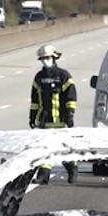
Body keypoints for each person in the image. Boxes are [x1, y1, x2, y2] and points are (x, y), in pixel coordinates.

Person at [29, 43, 78, 184]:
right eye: (42, 58)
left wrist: (69, 115)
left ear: (53, 57)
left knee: (63, 148)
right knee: (44, 149)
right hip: (44, 120)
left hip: (61, 120)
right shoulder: (39, 77)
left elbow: (71, 97)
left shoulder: (63, 76)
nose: (44, 60)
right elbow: (34, 100)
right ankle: (44, 175)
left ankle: (72, 168)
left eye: (46, 57)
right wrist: (32, 117)